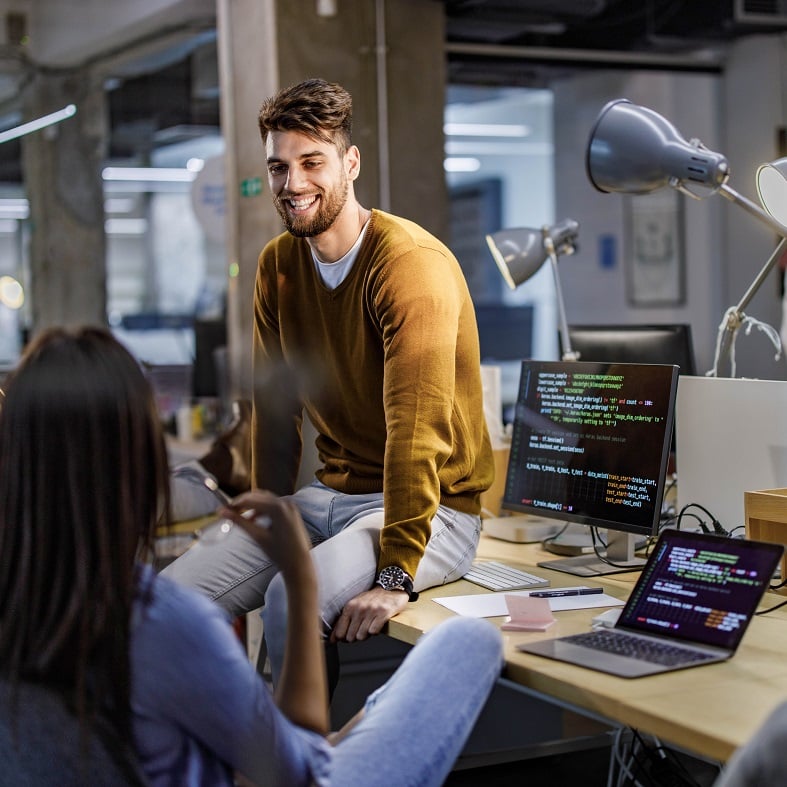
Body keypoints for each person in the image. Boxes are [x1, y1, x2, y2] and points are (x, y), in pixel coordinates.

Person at [0, 325, 503, 786]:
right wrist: (301, 582)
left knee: (359, 721)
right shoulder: (163, 624)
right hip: (298, 772)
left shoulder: (23, 610)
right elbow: (301, 771)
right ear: (139, 467)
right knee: (466, 640)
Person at [163, 77, 495, 683]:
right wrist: (262, 511)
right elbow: (275, 411)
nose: (293, 185)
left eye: (311, 162)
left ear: (350, 163)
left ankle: (292, 765)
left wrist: (397, 574)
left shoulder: (407, 265)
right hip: (328, 500)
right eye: (278, 167)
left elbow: (415, 433)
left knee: (291, 602)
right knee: (165, 605)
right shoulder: (277, 266)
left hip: (434, 512)